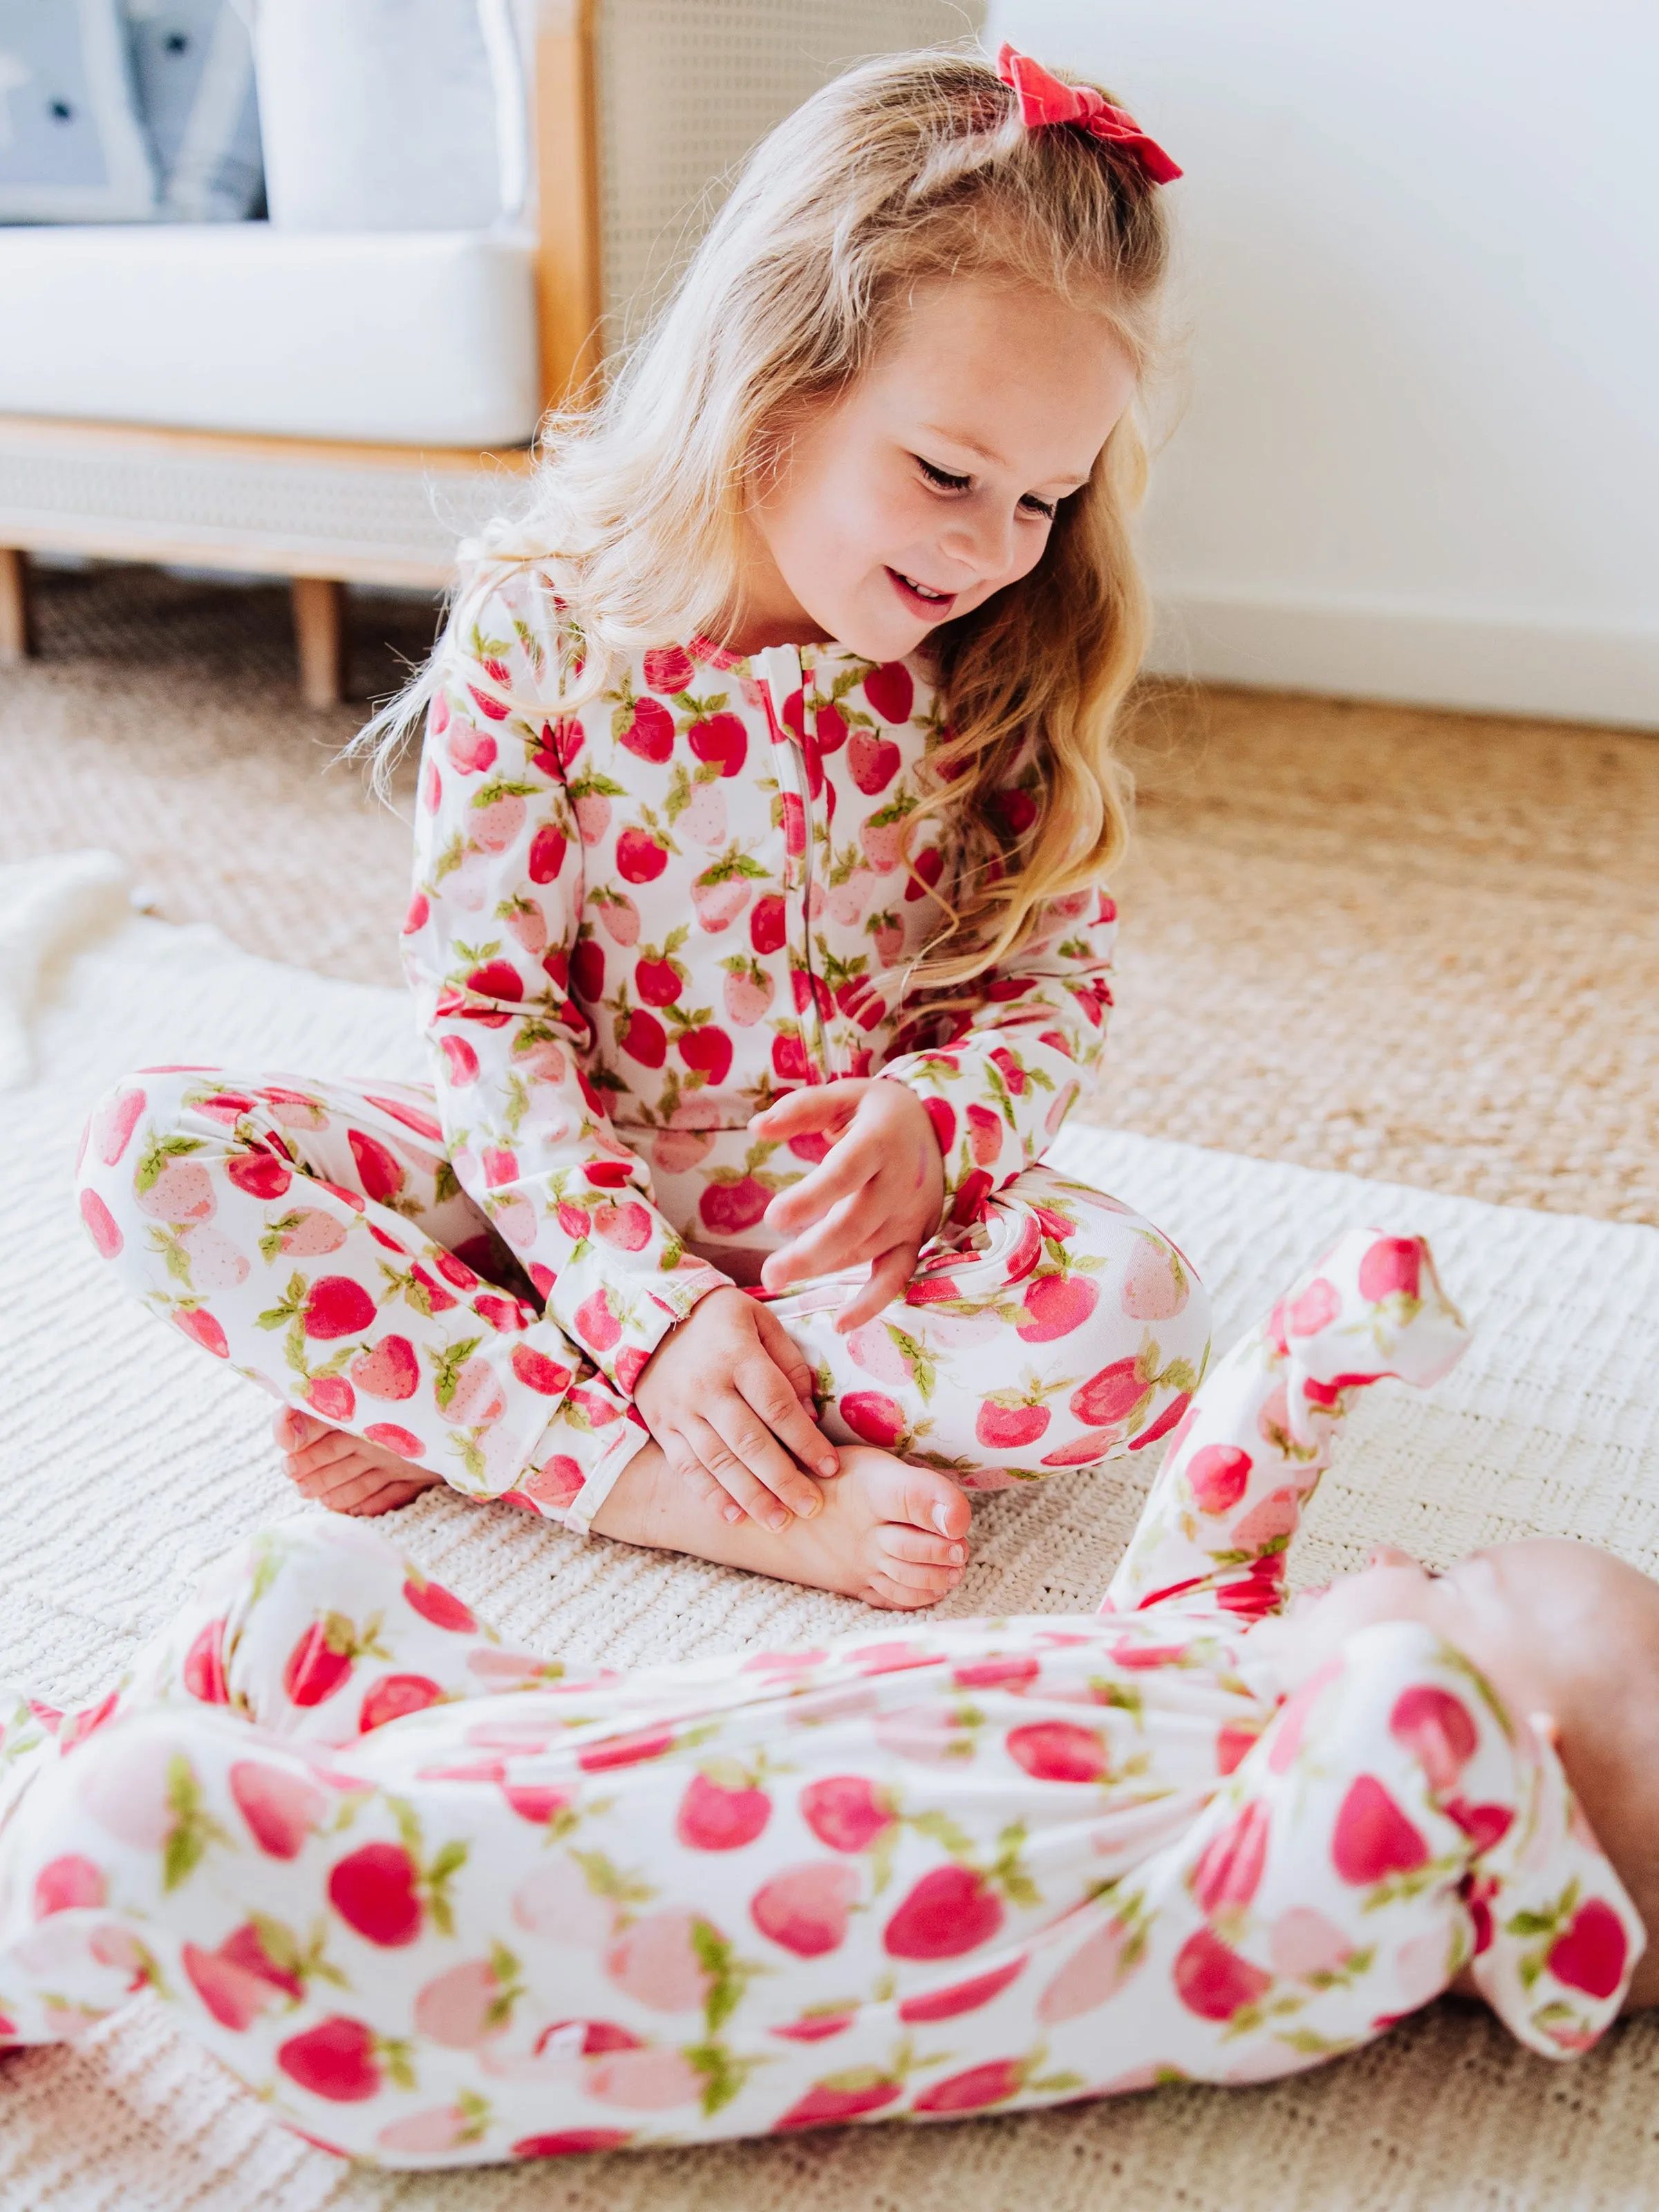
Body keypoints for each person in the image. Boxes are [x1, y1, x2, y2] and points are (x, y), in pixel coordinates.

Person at [73, 46, 1211, 1607]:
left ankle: (492, 1390)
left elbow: (1052, 985)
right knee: (157, 1153)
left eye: (1042, 500)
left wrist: (943, 1124)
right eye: (948, 470)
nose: (991, 547)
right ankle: (671, 1480)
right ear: (777, 370)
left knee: (1133, 1316)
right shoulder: (544, 623)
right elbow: (490, 1015)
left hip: (827, 1239)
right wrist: (641, 1301)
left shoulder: (994, 668)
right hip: (549, 1188)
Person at [3, 1229, 1651, 2166]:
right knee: (304, 1588)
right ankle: (50, 1793)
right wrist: (1329, 1340)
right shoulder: (1236, 1679)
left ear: (1502, 1774)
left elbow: (1403, 1728)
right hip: (552, 1753)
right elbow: (1215, 1519)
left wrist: (1422, 1685)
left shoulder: (1305, 1933)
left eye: (1455, 1587)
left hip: (498, 1969)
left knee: (142, 1804)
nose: (1417, 1558)